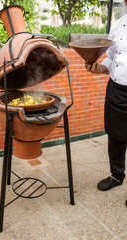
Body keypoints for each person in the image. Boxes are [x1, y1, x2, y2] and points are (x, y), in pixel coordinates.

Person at [85, 0, 127, 191]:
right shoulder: (118, 25)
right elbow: (111, 56)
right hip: (116, 89)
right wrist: (100, 68)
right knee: (115, 135)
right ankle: (117, 175)